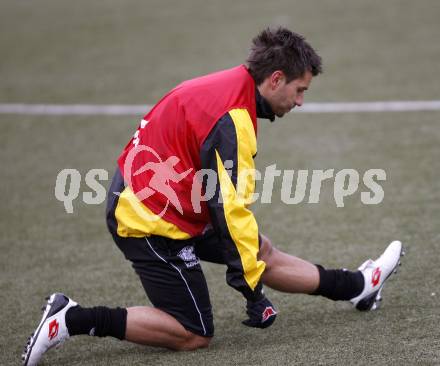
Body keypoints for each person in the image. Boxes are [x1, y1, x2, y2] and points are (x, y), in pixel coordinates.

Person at [22, 27, 404, 365]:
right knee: (194, 333)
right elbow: (230, 210)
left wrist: (250, 269)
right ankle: (69, 319)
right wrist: (253, 294)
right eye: (299, 90)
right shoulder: (234, 119)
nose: (301, 101)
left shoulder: (231, 85)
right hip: (146, 219)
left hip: (164, 197)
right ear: (275, 79)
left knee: (259, 251)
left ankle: (358, 286)